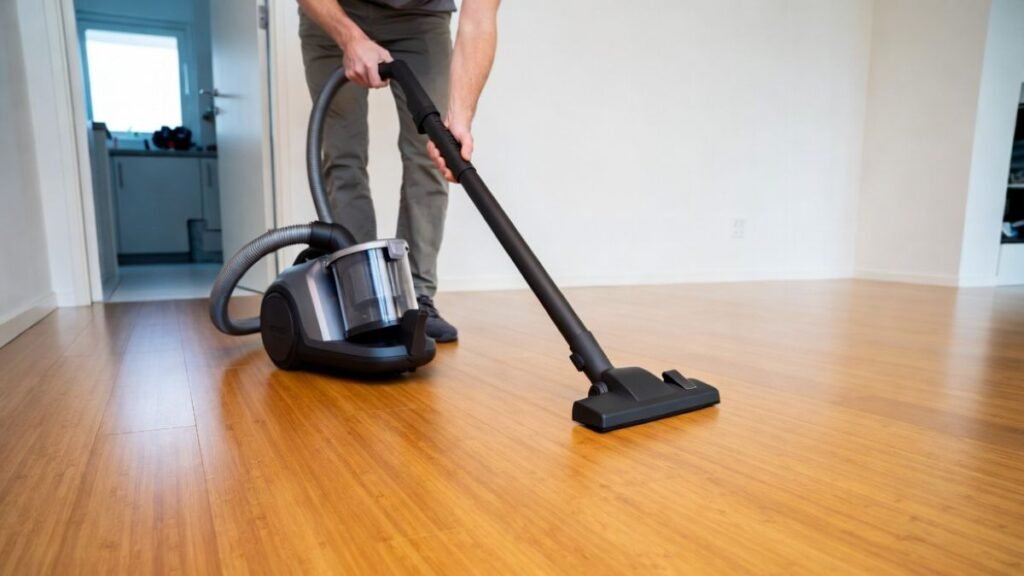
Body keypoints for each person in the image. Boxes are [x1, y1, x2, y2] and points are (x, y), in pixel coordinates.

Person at [297, 0, 500, 342]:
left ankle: (416, 298)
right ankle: (359, 296)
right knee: (342, 155)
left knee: (431, 156)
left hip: (422, 17)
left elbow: (479, 21)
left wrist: (459, 120)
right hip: (335, 9)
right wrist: (349, 38)